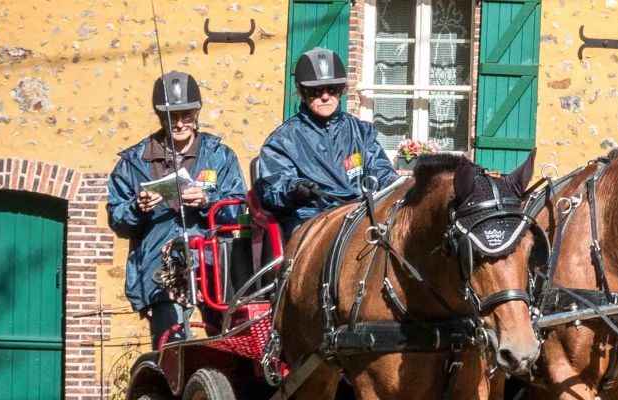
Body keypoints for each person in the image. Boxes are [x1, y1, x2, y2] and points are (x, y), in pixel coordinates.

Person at [107, 71, 247, 349]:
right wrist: (137, 207)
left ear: (196, 113)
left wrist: (208, 200)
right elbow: (117, 218)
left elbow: (240, 208)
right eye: (171, 116)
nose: (180, 123)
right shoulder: (134, 161)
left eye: (186, 115)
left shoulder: (220, 155)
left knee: (227, 346)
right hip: (161, 271)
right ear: (160, 117)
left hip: (212, 267)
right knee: (171, 350)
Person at [254, 47, 399, 239]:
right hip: (311, 219)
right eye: (316, 91)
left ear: (341, 91)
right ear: (303, 92)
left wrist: (398, 184)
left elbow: (381, 171)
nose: (325, 96)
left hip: (360, 215)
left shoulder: (361, 132)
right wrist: (296, 189)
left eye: (332, 89)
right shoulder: (282, 141)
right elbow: (273, 186)